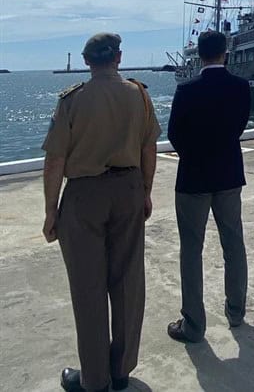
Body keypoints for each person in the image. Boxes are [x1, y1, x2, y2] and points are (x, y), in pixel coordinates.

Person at [42, 33, 160, 392]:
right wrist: (146, 192)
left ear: (86, 60)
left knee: (87, 287)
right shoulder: (139, 94)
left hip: (84, 196)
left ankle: (94, 379)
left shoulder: (72, 100)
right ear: (119, 57)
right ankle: (121, 370)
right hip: (128, 189)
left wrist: (50, 211)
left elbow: (55, 160)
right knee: (127, 283)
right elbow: (149, 148)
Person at [167, 30, 250, 342]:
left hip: (194, 177)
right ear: (225, 52)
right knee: (234, 243)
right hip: (229, 173)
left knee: (191, 249)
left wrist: (194, 156)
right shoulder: (240, 87)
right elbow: (240, 125)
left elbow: (175, 132)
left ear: (199, 55)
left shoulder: (186, 89)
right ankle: (236, 311)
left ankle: (194, 324)